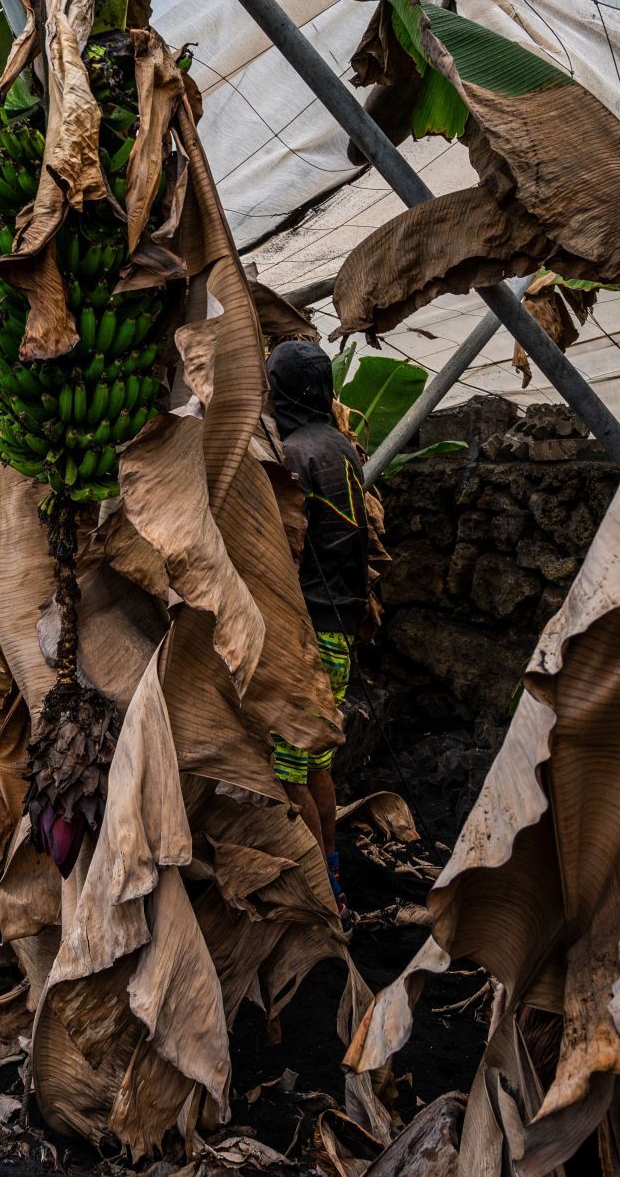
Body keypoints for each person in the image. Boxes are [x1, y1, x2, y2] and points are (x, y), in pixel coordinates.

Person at [266, 340, 371, 914]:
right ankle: (331, 869)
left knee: (287, 775)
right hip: (340, 632)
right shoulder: (341, 447)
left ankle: (320, 896)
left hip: (303, 634)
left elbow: (280, 547)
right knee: (316, 763)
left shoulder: (292, 457)